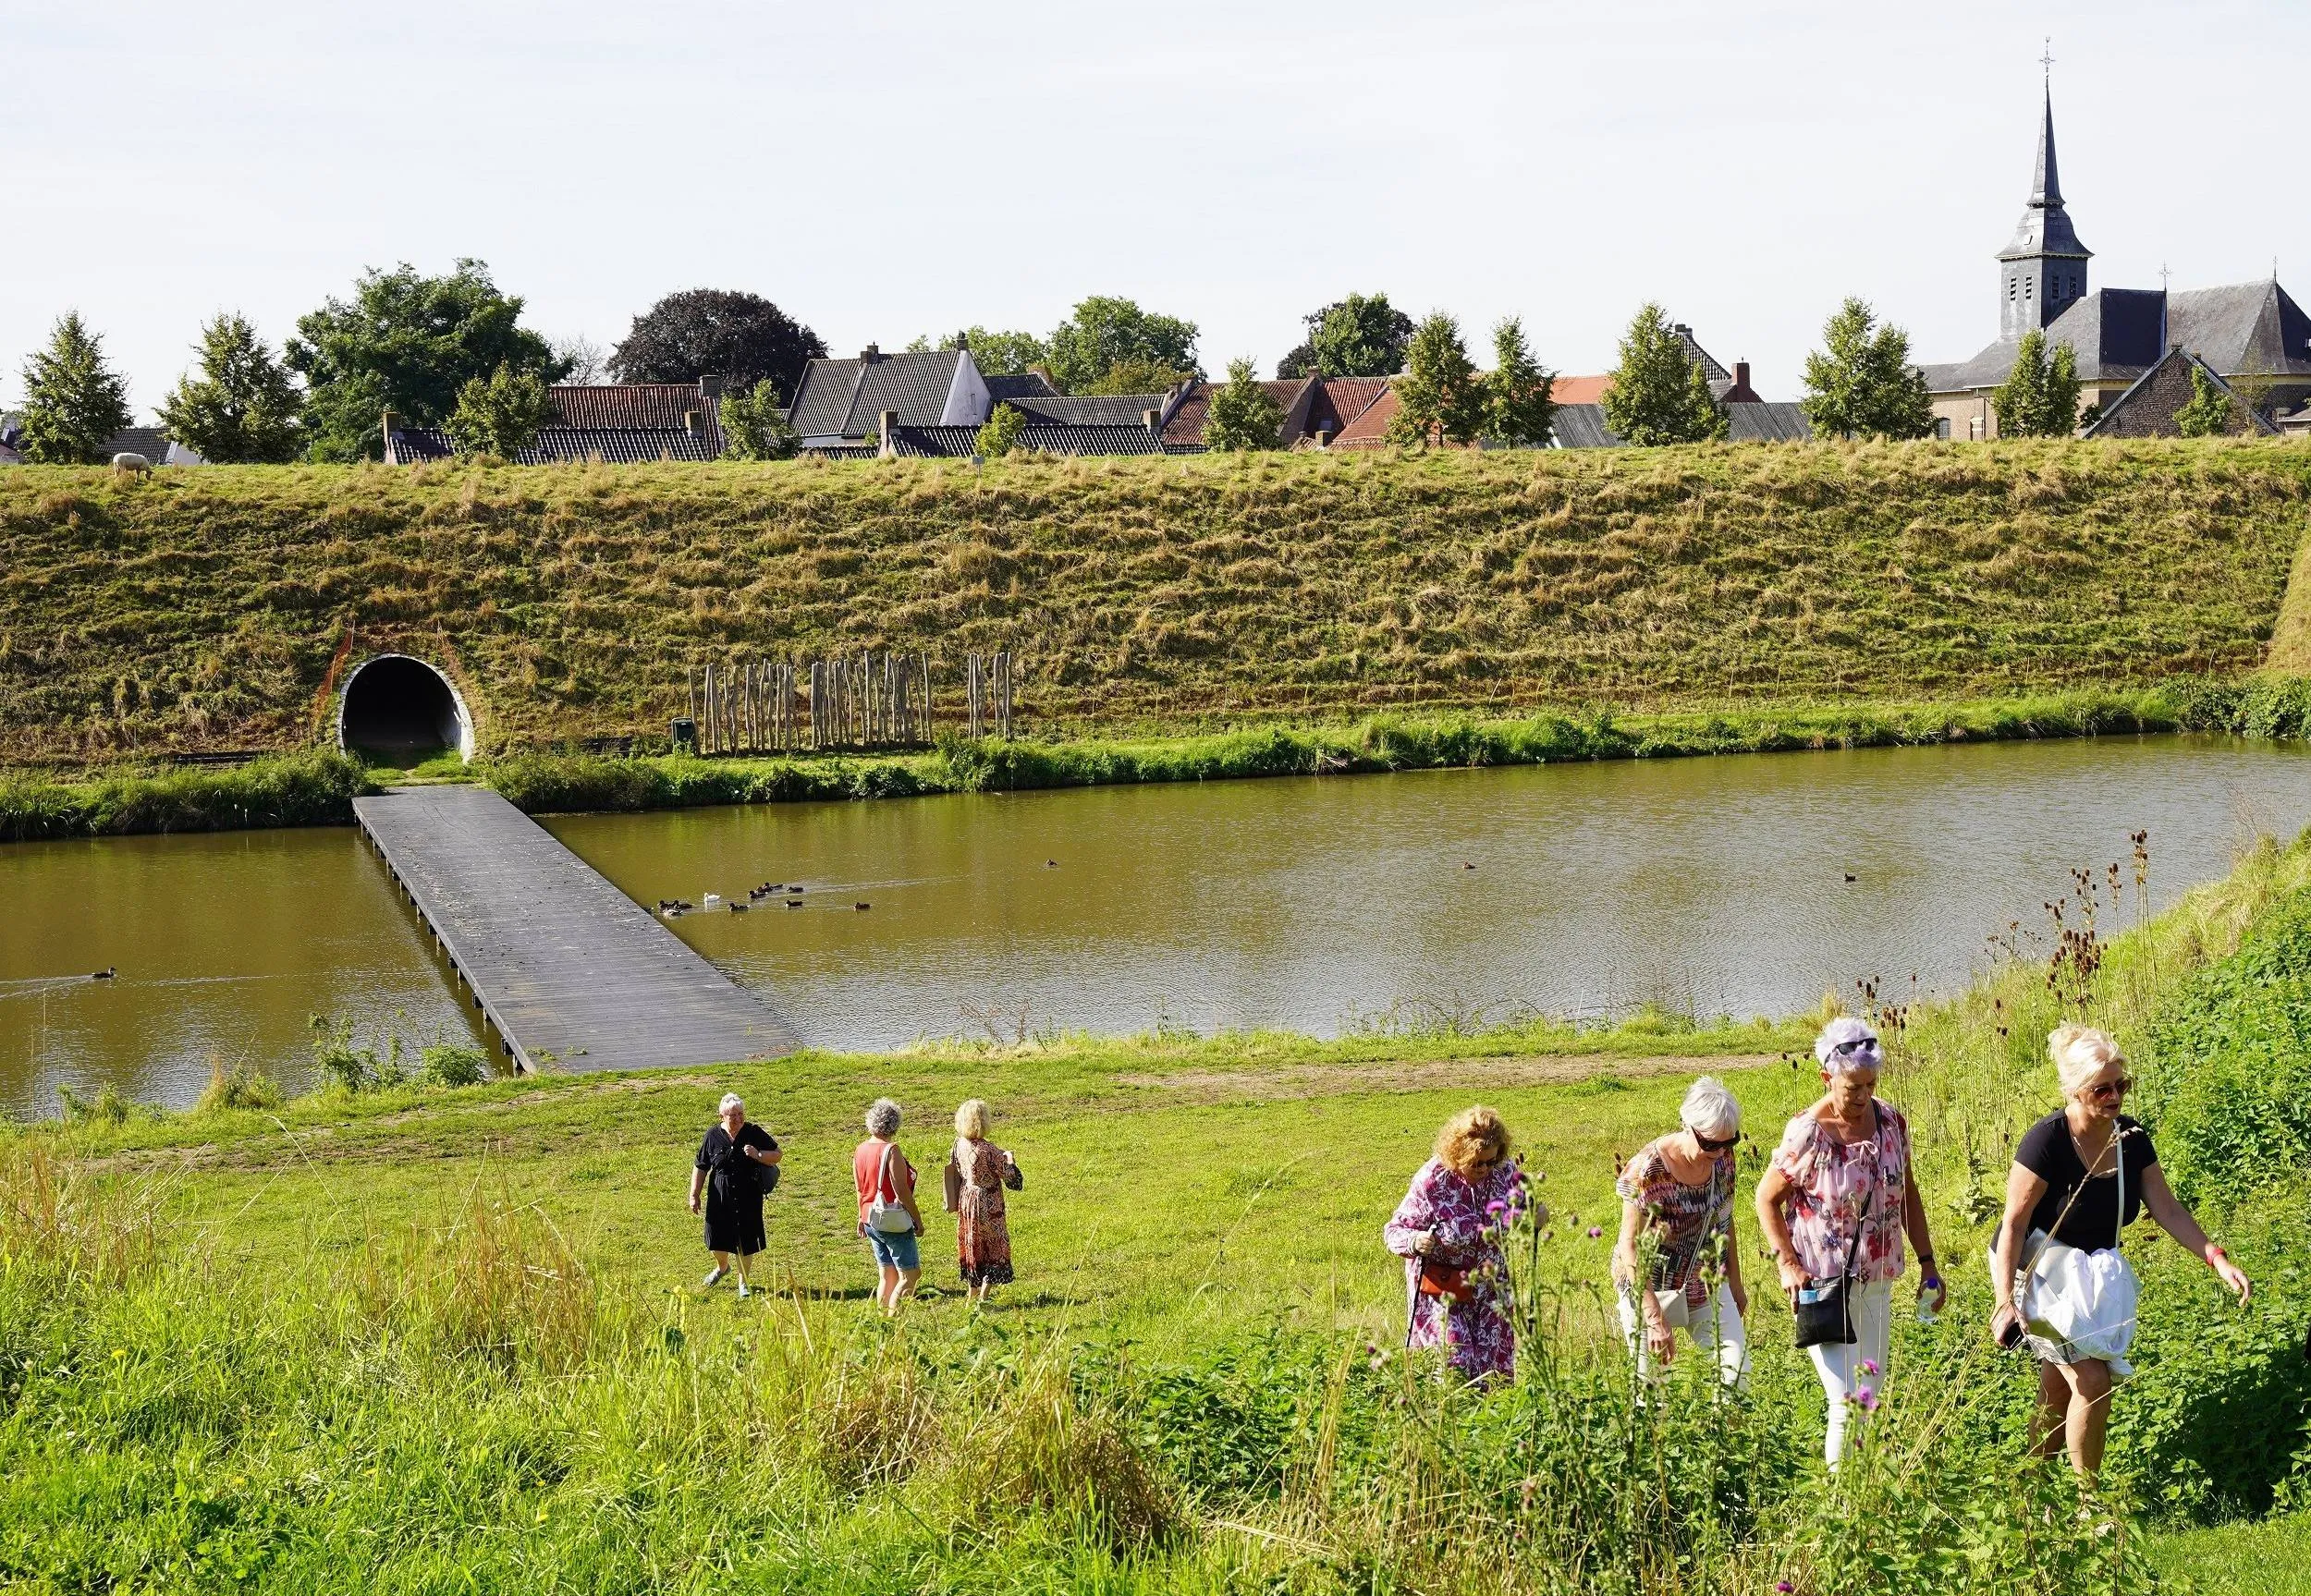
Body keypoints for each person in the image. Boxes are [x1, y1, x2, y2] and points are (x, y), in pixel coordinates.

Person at [1988, 1024, 2251, 1476]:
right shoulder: (2046, 1141)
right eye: (2102, 1089)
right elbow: (2012, 1222)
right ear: (2075, 1090)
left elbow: (2167, 1208)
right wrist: (2004, 1302)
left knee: (2059, 1387)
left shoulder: (2130, 1138)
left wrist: (2217, 1258)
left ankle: (2029, 1489)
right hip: (2036, 1270)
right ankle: (2089, 1503)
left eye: (2121, 1085)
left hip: (2089, 1277)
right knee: (2092, 1381)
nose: (2115, 1097)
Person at [1755, 1017, 1946, 1466]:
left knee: (1868, 1396)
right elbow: (1765, 1198)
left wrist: (1928, 1263)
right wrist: (1787, 1264)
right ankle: (1839, 1499)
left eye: (1870, 1085)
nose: (1863, 1096)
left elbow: (1907, 1193)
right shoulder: (1807, 1132)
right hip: (1824, 1287)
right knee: (1846, 1402)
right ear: (1827, 1077)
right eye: (1852, 1087)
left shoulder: (1891, 1122)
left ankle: (1863, 1490)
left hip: (1877, 1281)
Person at [1383, 1105, 1543, 1384]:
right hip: (1444, 1291)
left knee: (1493, 1375)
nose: (1485, 1169)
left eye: (1491, 1161)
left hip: (1491, 1289)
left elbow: (1524, 1211)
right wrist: (1416, 1241)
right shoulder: (1432, 1180)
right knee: (1454, 1367)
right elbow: (1394, 1231)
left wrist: (1536, 1215)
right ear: (1458, 1154)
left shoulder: (1505, 1172)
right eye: (1476, 1163)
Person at [1614, 1077, 1750, 1387]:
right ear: (1687, 1126)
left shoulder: (1722, 1157)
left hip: (1706, 1281)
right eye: (1710, 1144)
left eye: (1729, 1142)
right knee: (1651, 1388)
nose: (1719, 1152)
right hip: (1650, 1286)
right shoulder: (1647, 1171)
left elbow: (1725, 1221)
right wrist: (1653, 1317)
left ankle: (1725, 1421)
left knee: (1736, 1373)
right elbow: (1630, 1247)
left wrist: (1736, 1284)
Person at [689, 1092, 779, 1298]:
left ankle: (743, 1282)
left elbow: (777, 1154)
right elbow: (701, 1166)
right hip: (719, 1195)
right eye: (733, 1115)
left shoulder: (754, 1132)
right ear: (722, 1116)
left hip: (749, 1195)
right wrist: (694, 1194)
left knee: (746, 1241)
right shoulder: (712, 1136)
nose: (738, 1119)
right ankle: (722, 1267)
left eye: (741, 1114)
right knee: (716, 1239)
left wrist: (758, 1155)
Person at [943, 1098, 1018, 1306]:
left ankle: (972, 1295)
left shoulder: (958, 1144)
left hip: (967, 1198)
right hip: (988, 1201)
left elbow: (955, 1167)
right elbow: (1013, 1180)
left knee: (972, 1243)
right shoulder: (989, 1150)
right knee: (994, 1246)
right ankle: (983, 1298)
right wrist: (1010, 1159)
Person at [853, 1097, 924, 1314]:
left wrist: (860, 1217)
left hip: (869, 1218)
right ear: (894, 1124)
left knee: (887, 1275)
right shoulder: (891, 1150)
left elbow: (859, 1189)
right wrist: (917, 1220)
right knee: (910, 1275)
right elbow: (901, 1190)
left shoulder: (860, 1149)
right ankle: (895, 1319)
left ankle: (881, 1321)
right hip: (891, 1220)